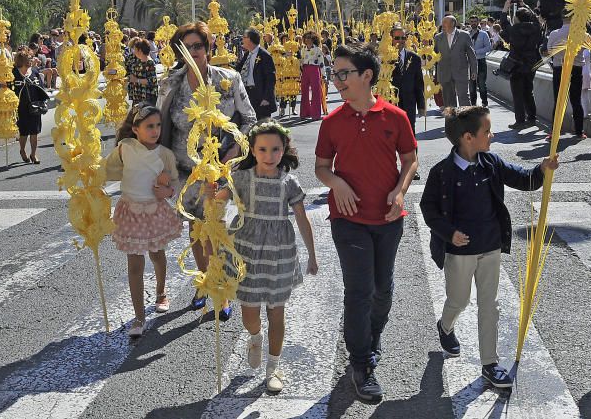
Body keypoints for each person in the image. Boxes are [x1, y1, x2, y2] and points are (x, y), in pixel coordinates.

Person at [420, 106, 557, 389]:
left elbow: (523, 179)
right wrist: (449, 233)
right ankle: (445, 327)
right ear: (468, 137)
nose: (492, 136)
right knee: (459, 301)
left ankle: (490, 364)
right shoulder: (442, 172)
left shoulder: (491, 163)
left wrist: (542, 169)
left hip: (491, 246)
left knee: (489, 306)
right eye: (487, 131)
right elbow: (428, 208)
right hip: (459, 252)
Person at [315, 43, 417, 403]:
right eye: (335, 73)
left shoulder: (396, 116)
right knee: (358, 291)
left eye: (343, 73)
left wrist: (401, 192)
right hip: (348, 219)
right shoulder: (331, 122)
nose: (337, 80)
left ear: (366, 76)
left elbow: (410, 159)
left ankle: (371, 341)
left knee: (383, 289)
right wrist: (336, 183)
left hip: (388, 218)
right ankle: (361, 363)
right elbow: (321, 168)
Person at [158, 21, 256, 317]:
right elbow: (161, 125)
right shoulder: (169, 82)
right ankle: (204, 281)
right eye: (186, 47)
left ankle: (221, 289)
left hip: (219, 169)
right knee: (195, 228)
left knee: (215, 228)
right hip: (185, 170)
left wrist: (234, 149)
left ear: (208, 48)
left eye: (198, 46)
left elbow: (249, 118)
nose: (193, 52)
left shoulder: (229, 78)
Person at [213, 120, 318, 394]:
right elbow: (218, 200)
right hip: (246, 249)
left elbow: (302, 219)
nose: (269, 156)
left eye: (275, 149)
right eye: (262, 149)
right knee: (250, 315)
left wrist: (312, 254)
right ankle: (255, 337)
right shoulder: (242, 177)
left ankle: (274, 366)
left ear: (284, 150)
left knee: (277, 311)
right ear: (253, 150)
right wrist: (212, 208)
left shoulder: (289, 182)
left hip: (279, 252)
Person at [105, 103, 182, 338]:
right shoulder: (124, 148)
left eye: (158, 125)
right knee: (135, 265)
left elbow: (176, 185)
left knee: (157, 255)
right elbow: (107, 170)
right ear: (135, 129)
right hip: (131, 211)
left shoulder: (165, 155)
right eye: (149, 126)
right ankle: (138, 316)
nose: (155, 130)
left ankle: (161, 292)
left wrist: (167, 192)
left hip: (154, 211)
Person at [498, 3, 543, 128]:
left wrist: (506, 5)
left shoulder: (514, 30)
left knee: (517, 94)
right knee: (528, 91)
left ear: (517, 18)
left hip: (516, 64)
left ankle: (520, 120)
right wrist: (524, 5)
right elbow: (535, 18)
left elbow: (503, 21)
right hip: (531, 64)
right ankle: (532, 117)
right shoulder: (536, 28)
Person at [545, 21, 585, 137]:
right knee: (576, 100)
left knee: (558, 101)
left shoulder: (554, 34)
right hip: (576, 67)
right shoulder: (581, 33)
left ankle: (555, 131)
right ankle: (579, 131)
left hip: (559, 67)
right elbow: (585, 48)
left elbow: (550, 51)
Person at [433, 15, 477, 108]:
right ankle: (451, 122)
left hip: (461, 72)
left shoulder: (464, 35)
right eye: (443, 22)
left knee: (464, 97)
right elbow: (434, 55)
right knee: (448, 101)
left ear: (453, 23)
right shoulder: (438, 37)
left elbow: (471, 54)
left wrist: (473, 70)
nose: (442, 25)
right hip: (445, 73)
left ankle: (466, 120)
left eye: (445, 22)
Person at [390, 25, 425, 133]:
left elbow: (419, 83)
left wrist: (421, 105)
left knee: (409, 134)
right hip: (390, 103)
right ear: (390, 38)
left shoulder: (414, 58)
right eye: (397, 38)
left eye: (403, 38)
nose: (400, 41)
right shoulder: (383, 58)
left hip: (409, 102)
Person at [236, 28, 277, 120]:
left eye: (244, 37)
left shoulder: (264, 55)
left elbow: (271, 79)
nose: (242, 39)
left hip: (261, 97)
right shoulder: (247, 55)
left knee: (262, 128)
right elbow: (237, 70)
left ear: (250, 39)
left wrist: (266, 98)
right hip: (248, 95)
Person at [12, 51, 44, 164]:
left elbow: (41, 86)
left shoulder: (35, 71)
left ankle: (34, 154)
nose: (30, 61)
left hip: (35, 106)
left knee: (34, 132)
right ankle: (22, 150)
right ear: (21, 61)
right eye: (28, 60)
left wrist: (42, 101)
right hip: (21, 107)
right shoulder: (13, 73)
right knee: (24, 132)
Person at [467, 16, 492, 106]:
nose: (473, 23)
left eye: (475, 21)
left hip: (480, 61)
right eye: (471, 21)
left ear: (478, 22)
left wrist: (476, 52)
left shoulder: (483, 34)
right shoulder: (467, 34)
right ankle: (473, 104)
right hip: (470, 62)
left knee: (481, 84)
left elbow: (489, 47)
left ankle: (484, 103)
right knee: (471, 85)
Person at [299, 32, 324, 120]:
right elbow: (301, 61)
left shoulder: (318, 49)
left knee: (316, 91)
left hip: (314, 69)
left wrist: (324, 75)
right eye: (306, 38)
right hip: (305, 70)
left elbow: (321, 63)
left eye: (310, 38)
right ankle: (305, 113)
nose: (307, 40)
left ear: (314, 39)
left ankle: (316, 114)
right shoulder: (303, 49)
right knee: (304, 91)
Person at [125, 38, 158, 105]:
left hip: (147, 98)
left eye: (135, 49)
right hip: (137, 97)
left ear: (140, 50)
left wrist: (137, 80)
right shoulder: (138, 61)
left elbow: (152, 81)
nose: (134, 51)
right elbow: (133, 76)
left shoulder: (149, 63)